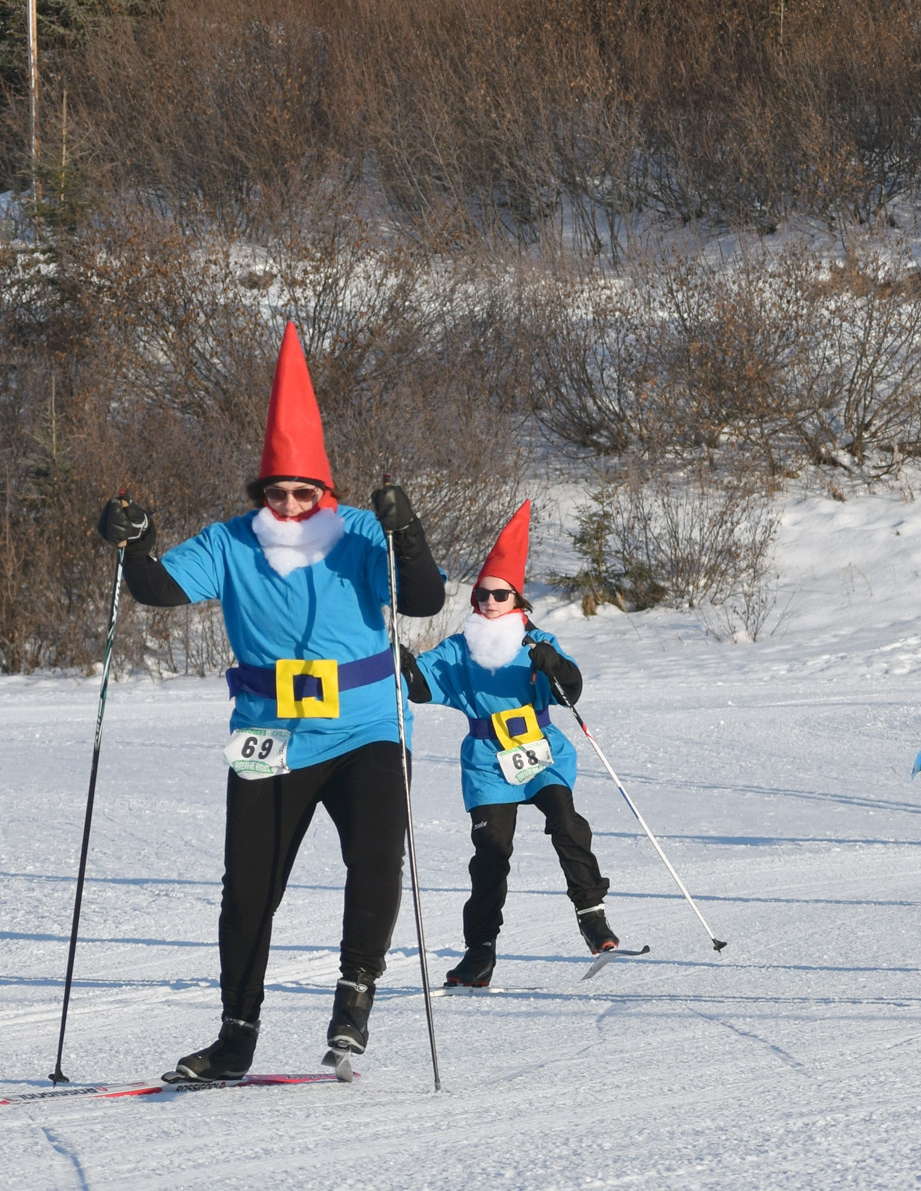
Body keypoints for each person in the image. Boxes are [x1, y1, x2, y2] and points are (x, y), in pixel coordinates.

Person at [96, 321, 445, 1082]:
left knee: (376, 859)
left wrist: (407, 529)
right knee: (248, 886)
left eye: (304, 492)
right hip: (271, 733)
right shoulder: (229, 541)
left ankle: (353, 1000)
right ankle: (236, 1035)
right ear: (261, 492)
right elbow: (156, 588)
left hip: (366, 726)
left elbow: (420, 597)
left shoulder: (359, 533)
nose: (289, 505)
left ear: (328, 492)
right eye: (277, 492)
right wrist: (133, 542)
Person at [399, 500, 620, 985]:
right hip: (486, 761)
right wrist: (404, 663)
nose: (489, 603)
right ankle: (480, 953)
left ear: (518, 600)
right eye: (482, 594)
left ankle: (592, 918)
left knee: (566, 822)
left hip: (540, 751)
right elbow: (421, 687)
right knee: (491, 855)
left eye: (500, 595)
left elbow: (571, 691)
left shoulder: (535, 639)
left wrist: (553, 664)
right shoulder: (460, 647)